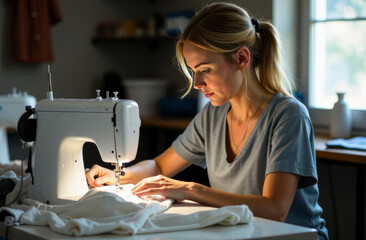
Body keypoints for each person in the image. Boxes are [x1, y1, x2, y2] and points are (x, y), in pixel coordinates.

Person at [86, 2, 328, 239]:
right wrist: (116, 175)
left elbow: (274, 210)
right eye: (194, 71)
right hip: (244, 233)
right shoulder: (213, 116)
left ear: (242, 59)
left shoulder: (288, 116)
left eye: (206, 70)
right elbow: (160, 167)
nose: (196, 83)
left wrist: (191, 189)